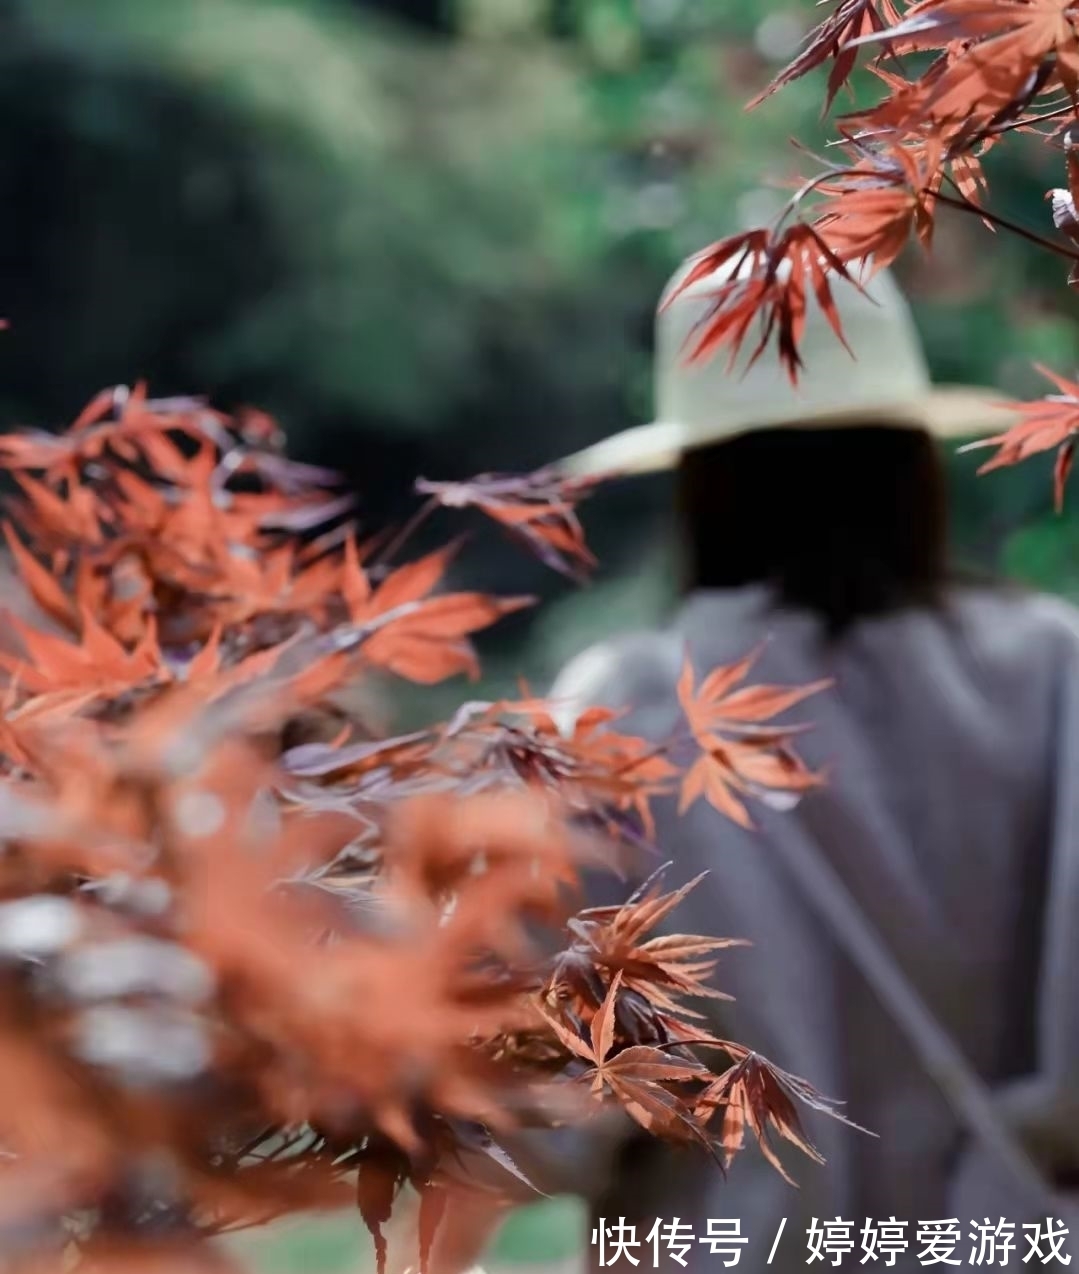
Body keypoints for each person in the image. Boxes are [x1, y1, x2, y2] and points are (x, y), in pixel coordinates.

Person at [404, 257, 1079, 1274]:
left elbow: (541, 1117)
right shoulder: (1053, 667)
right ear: (908, 460)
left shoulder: (617, 706)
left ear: (701, 481)